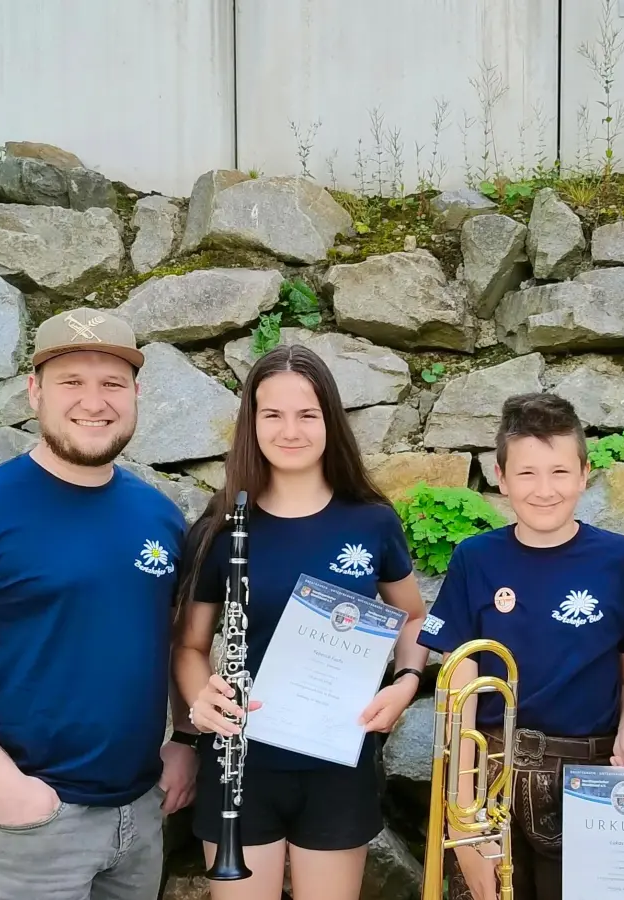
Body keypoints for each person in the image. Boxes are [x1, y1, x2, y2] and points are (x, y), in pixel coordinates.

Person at [0, 308, 201, 900]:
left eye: (111, 384)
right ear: (34, 393)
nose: (94, 401)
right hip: (28, 826)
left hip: (139, 815)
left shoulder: (157, 515)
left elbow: (179, 639)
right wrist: (4, 789)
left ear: (136, 394)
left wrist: (183, 741)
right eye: (71, 383)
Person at [173, 343, 430, 900]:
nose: (291, 430)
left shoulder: (371, 521)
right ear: (252, 424)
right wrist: (200, 701)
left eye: (307, 414)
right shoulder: (220, 528)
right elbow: (190, 647)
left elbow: (412, 618)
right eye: (273, 414)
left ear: (330, 421)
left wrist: (406, 683)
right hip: (242, 759)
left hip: (338, 759)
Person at [416, 391, 624, 900]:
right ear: (501, 478)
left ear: (583, 473)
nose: (544, 490)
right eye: (527, 474)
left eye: (559, 473)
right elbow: (459, 688)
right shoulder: (475, 557)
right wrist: (462, 814)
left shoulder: (620, 559)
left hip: (588, 776)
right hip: (489, 782)